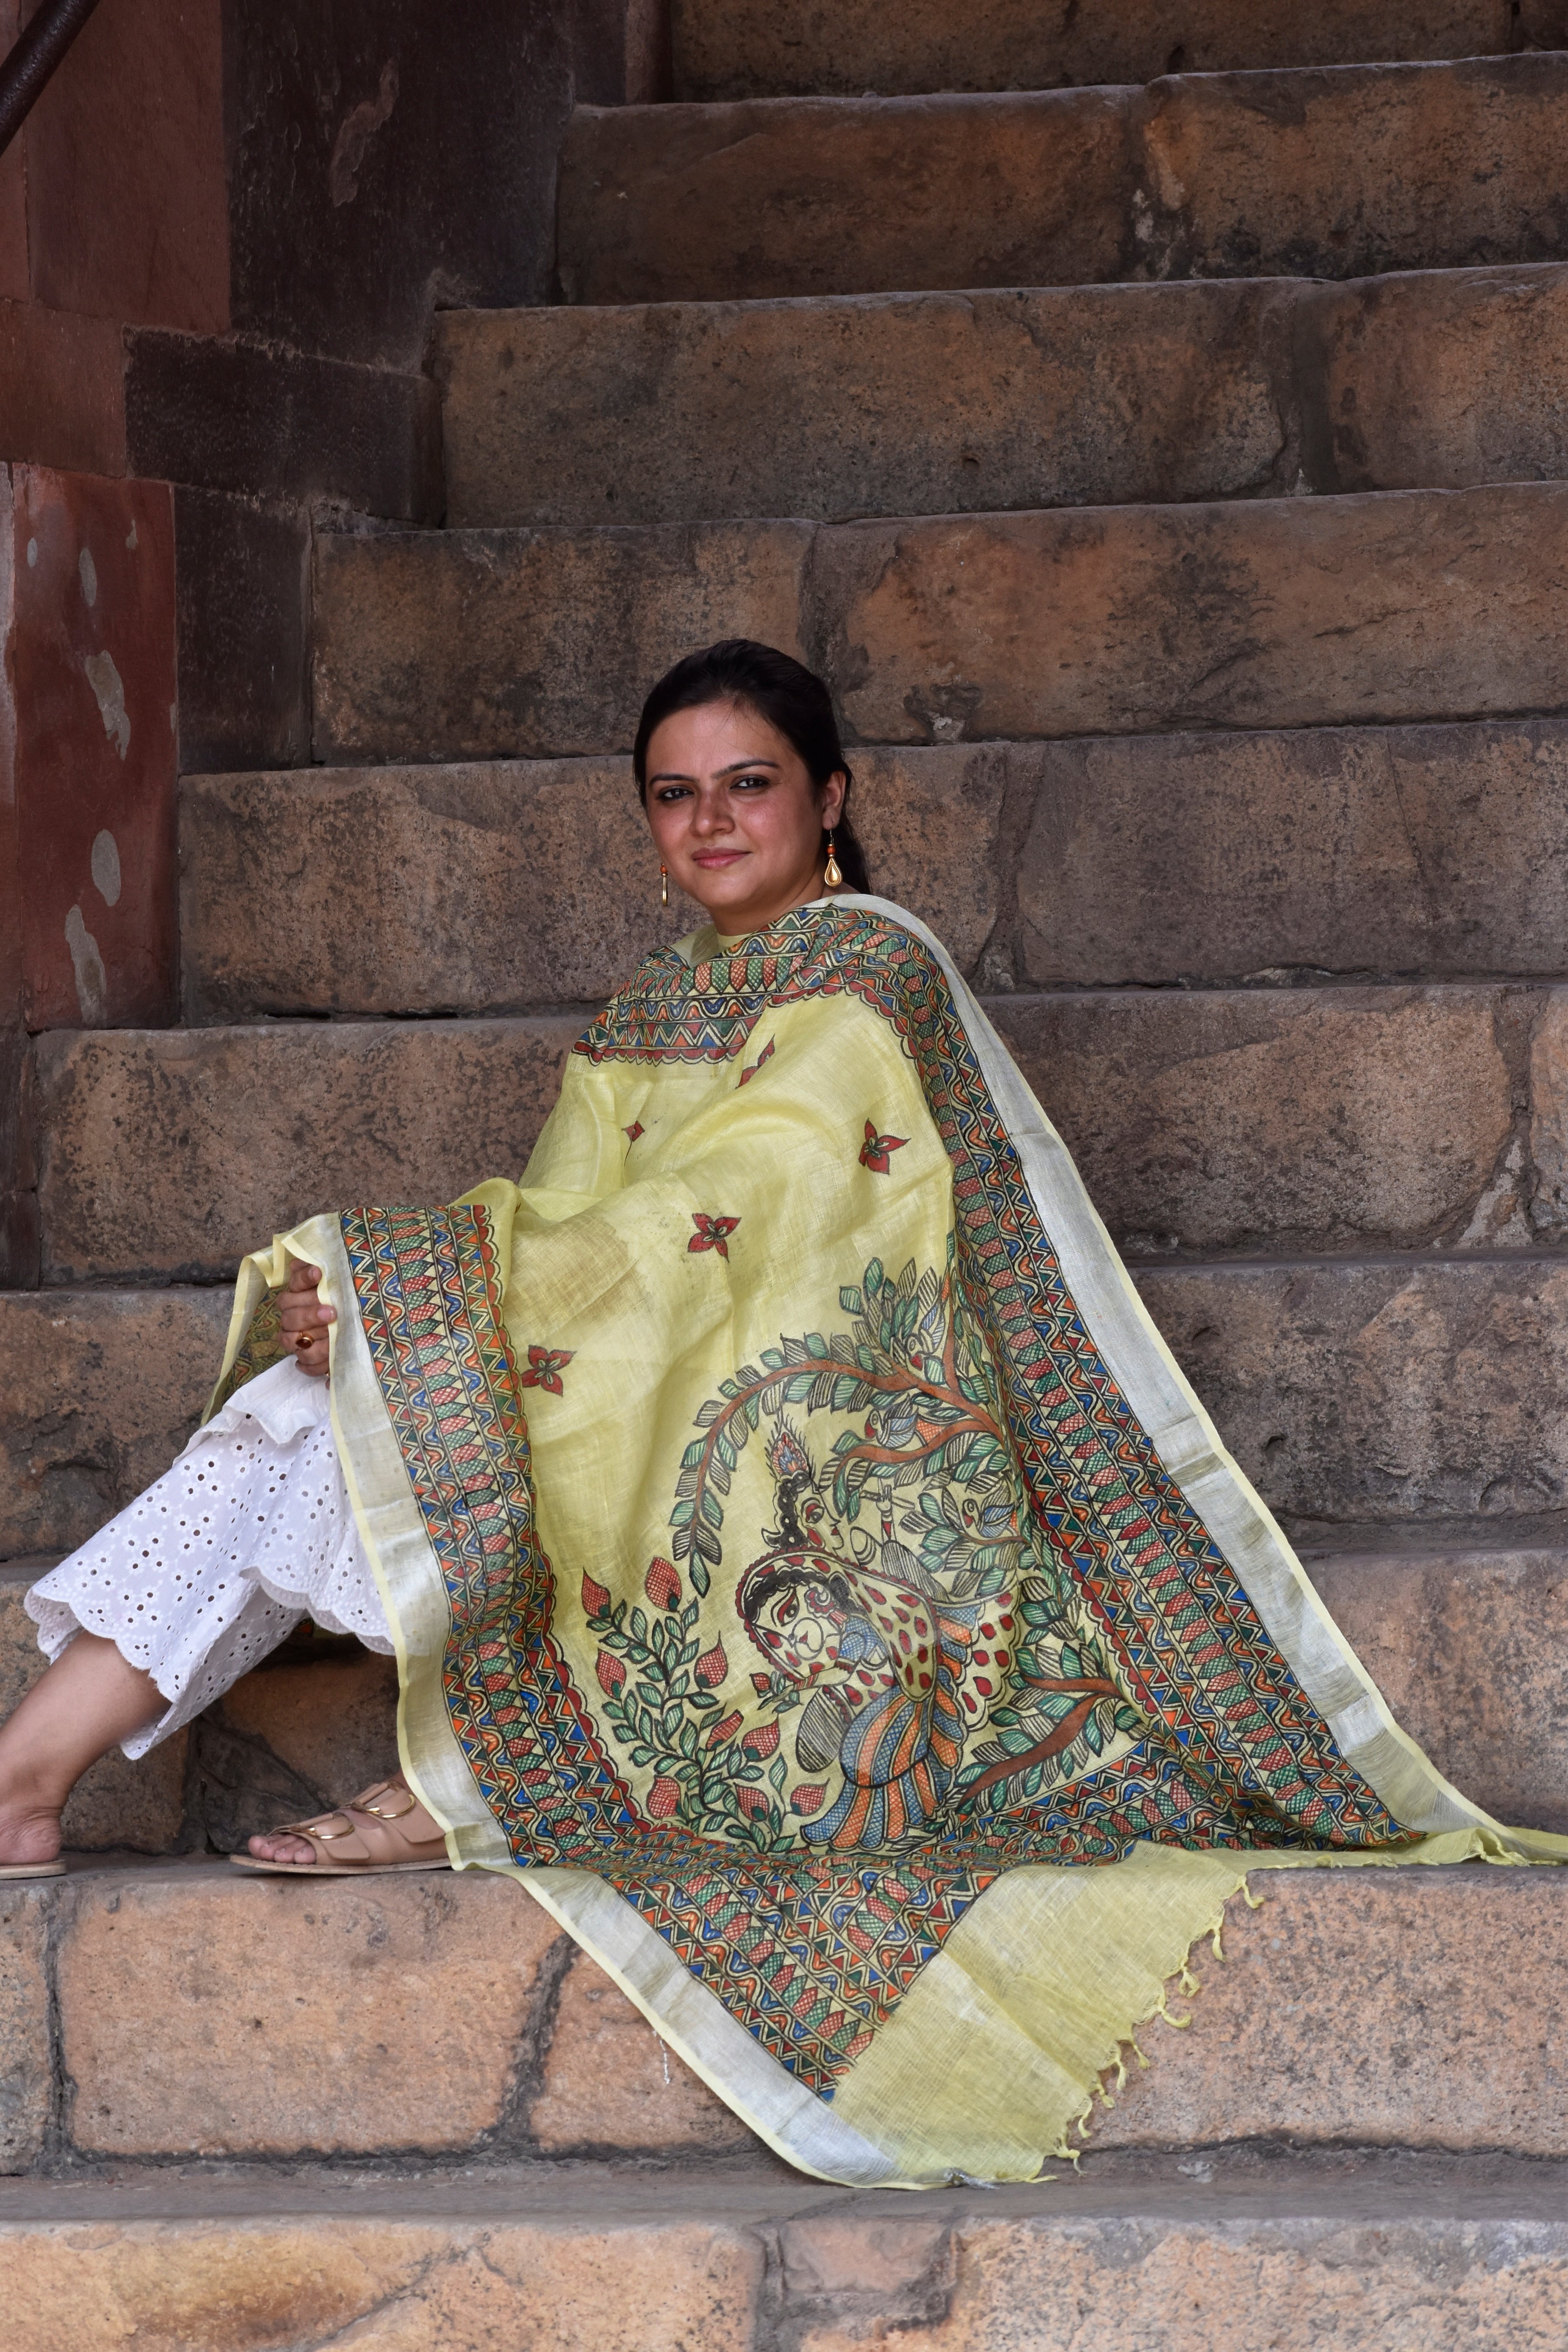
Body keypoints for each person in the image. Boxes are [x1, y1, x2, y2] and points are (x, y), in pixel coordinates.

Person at [0, 640, 1559, 2187]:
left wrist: (424, 1294)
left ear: (830, 797)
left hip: (821, 1455)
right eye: (672, 795)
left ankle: (132, 1780)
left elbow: (761, 1207)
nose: (710, 822)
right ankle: (40, 1782)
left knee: (366, 1367)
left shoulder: (873, 975)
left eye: (747, 785)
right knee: (322, 1394)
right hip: (642, 1379)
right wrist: (407, 1318)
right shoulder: (654, 1002)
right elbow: (576, 1218)